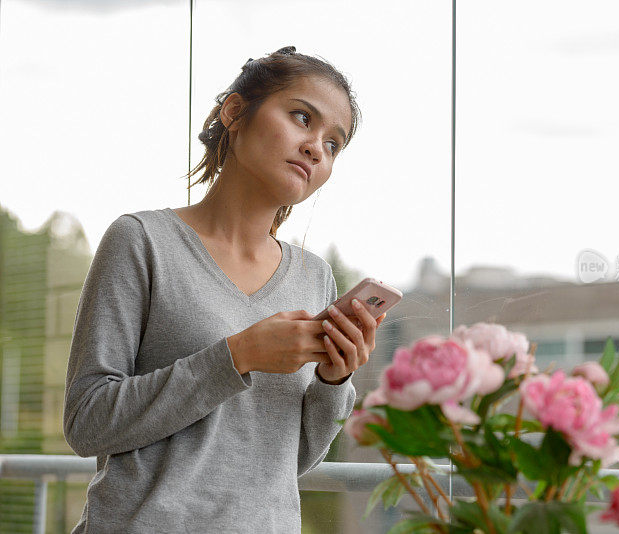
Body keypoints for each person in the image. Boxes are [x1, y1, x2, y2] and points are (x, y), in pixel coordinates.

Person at [63, 46, 383, 533]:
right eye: (302, 118)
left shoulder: (314, 277)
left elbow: (288, 461)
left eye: (334, 144)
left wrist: (334, 384)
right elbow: (87, 423)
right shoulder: (141, 241)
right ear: (235, 112)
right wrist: (238, 355)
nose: (317, 147)